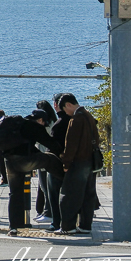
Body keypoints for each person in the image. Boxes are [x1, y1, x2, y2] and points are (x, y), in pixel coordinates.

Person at [0, 109, 63, 236]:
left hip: (9, 161)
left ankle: (14, 227)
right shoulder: (34, 127)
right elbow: (50, 143)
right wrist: (62, 153)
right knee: (50, 159)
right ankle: (65, 178)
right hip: (25, 160)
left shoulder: (16, 125)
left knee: (15, 192)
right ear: (40, 120)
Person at [57, 93, 100, 235]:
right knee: (88, 195)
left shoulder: (76, 119)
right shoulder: (88, 116)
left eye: (65, 109)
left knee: (69, 194)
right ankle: (85, 226)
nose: (66, 113)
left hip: (78, 162)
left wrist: (66, 163)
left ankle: (68, 227)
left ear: (68, 105)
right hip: (91, 161)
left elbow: (71, 144)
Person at [45, 93, 71, 232]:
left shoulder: (58, 124)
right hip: (73, 163)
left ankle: (56, 222)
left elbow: (54, 146)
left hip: (57, 163)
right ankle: (70, 221)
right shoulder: (74, 120)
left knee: (54, 194)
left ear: (56, 105)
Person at [33, 99, 56, 222]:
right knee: (45, 186)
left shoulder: (47, 124)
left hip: (43, 156)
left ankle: (49, 212)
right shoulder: (53, 122)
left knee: (45, 186)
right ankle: (46, 211)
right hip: (48, 157)